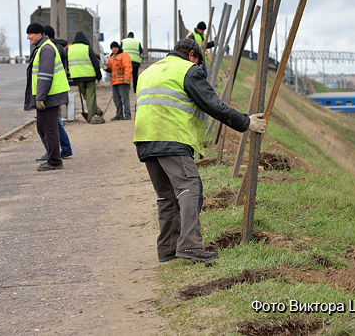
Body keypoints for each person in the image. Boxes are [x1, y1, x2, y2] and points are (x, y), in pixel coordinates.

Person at [133, 38, 267, 262]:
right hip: (172, 138)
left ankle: (167, 249)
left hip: (145, 139)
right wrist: (246, 123)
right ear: (193, 56)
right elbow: (214, 104)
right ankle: (189, 246)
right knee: (189, 188)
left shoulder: (149, 71)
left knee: (166, 196)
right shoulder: (188, 70)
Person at [24, 23, 70, 171]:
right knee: (43, 127)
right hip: (48, 95)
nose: (28, 37)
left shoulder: (47, 49)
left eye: (30, 34)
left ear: (39, 34)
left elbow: (45, 76)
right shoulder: (42, 48)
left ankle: (55, 161)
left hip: (49, 96)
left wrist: (40, 97)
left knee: (49, 128)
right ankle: (52, 157)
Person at [68, 31, 105, 124]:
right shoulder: (87, 48)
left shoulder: (69, 49)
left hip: (77, 77)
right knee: (90, 96)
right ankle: (93, 113)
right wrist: (98, 75)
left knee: (86, 96)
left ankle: (92, 114)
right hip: (89, 76)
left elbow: (66, 62)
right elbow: (95, 62)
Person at [104, 41, 132, 121]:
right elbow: (110, 69)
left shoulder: (124, 55)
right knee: (116, 99)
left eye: (115, 47)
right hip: (114, 82)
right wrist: (106, 68)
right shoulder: (111, 57)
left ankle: (127, 114)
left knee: (125, 98)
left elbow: (128, 67)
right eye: (112, 48)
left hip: (123, 82)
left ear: (118, 48)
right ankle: (119, 114)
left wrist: (127, 79)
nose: (114, 49)